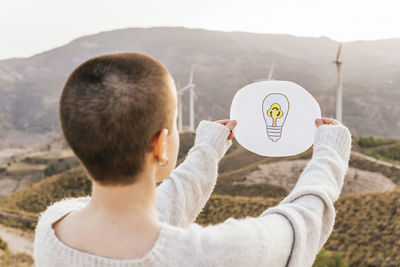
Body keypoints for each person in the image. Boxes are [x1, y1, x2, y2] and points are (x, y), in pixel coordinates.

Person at [33, 52, 351, 267]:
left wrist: (207, 151)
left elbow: (161, 204)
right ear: (160, 145)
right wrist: (330, 153)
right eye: (173, 125)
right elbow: (299, 227)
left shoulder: (53, 225)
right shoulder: (207, 254)